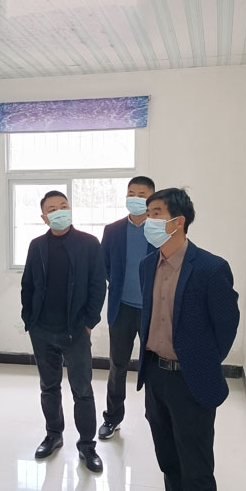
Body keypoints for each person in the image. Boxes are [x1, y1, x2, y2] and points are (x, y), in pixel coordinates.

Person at [137, 188, 239, 491]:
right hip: (156, 376)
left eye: (155, 213)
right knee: (168, 460)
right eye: (147, 213)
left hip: (190, 381)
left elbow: (226, 326)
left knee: (196, 468)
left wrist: (200, 363)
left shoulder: (210, 268)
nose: (148, 220)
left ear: (178, 221)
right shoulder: (147, 265)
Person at [20, 191, 106, 473]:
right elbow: (28, 284)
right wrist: (29, 319)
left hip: (76, 331)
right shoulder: (37, 245)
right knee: (49, 386)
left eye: (63, 206)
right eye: (52, 209)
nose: (59, 212)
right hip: (42, 330)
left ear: (70, 210)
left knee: (82, 390)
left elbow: (98, 285)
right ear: (44, 217)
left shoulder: (89, 243)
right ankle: (53, 435)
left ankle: (87, 445)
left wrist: (89, 322)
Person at [98, 176, 156, 440]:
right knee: (117, 365)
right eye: (131, 193)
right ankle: (112, 418)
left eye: (141, 194)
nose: (135, 198)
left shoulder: (159, 230)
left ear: (151, 198)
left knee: (153, 367)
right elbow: (103, 265)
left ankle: (157, 417)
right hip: (121, 308)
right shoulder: (113, 230)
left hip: (152, 311)